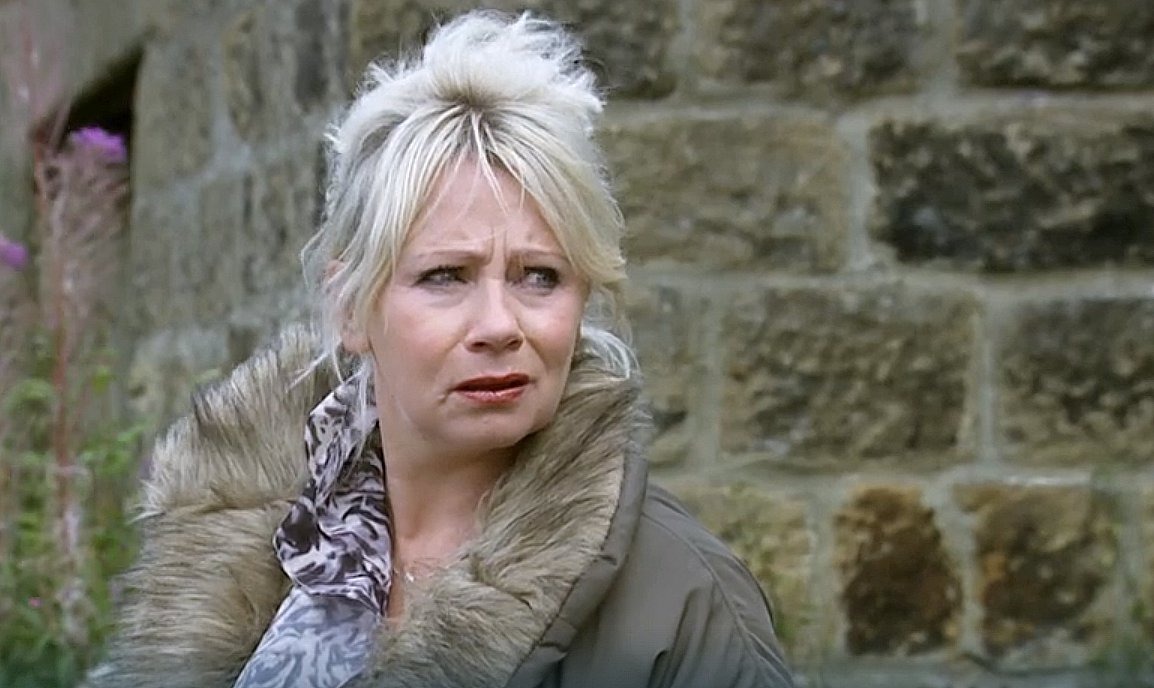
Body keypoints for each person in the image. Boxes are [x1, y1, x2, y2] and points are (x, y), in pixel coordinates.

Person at [91, 10, 795, 688]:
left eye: (539, 276)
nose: (499, 324)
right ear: (351, 307)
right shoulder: (253, 553)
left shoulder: (688, 606)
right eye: (446, 276)